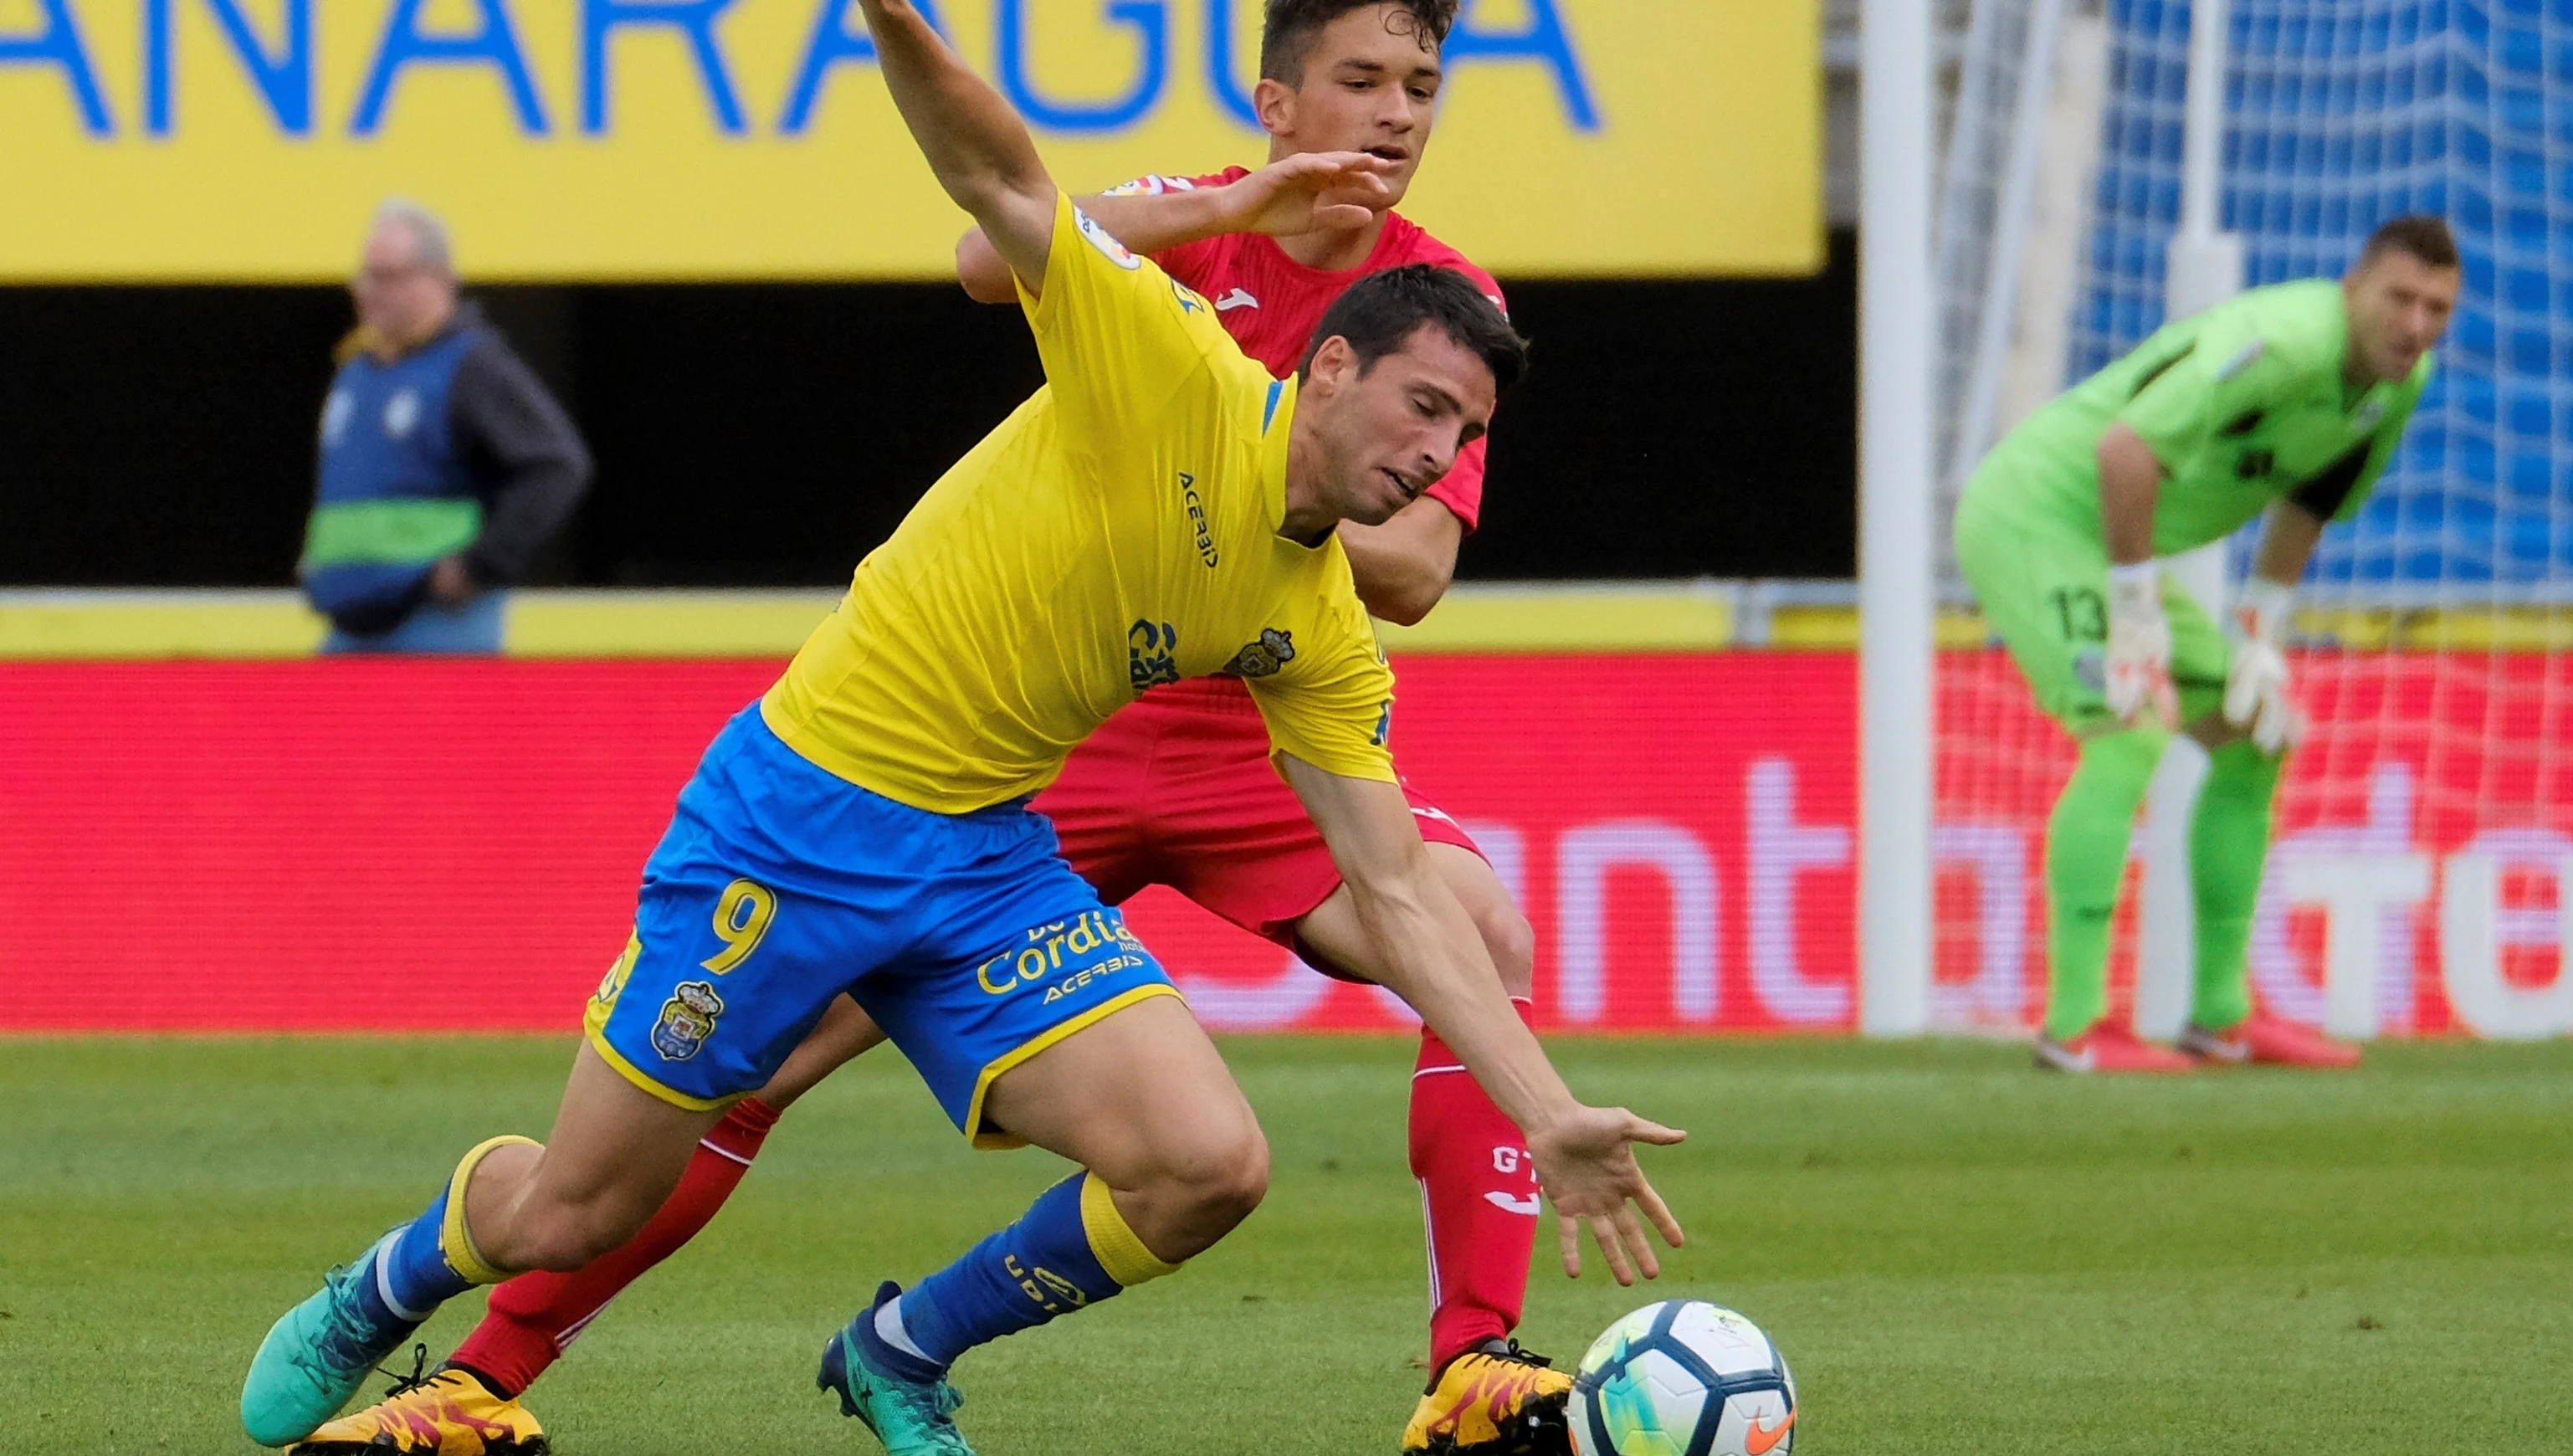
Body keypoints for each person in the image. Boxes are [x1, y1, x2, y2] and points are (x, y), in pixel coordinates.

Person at [240, 8, 1684, 1456]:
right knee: (587, 1191)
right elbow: (993, 196)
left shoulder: (1317, 604)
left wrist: (1549, 1112)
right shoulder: (1164, 345)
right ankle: (415, 1316)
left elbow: (1390, 881)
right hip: (810, 814)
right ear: (1318, 372)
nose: (1437, 455)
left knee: (1210, 1161)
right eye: (1420, 416)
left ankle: (916, 1344)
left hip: (1003, 840)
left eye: (1459, 433)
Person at [1956, 216, 2459, 1074]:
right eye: (2400, 298)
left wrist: (2259, 627)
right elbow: (2125, 449)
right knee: (2129, 726)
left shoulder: (2397, 384)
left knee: (2254, 733)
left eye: (2437, 308)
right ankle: (2073, 1026)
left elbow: (2317, 494)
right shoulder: (2282, 343)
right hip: (2038, 517)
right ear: (2352, 290)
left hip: (2115, 551)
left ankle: (2220, 1015)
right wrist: (2132, 612)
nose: (2415, 324)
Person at [300, 200, 591, 654]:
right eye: (365, 276)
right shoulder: (359, 368)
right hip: (352, 625)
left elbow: (557, 467)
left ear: (438, 279)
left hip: (436, 626)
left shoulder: (471, 366)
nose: (367, 291)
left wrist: (480, 566)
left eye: (386, 277)